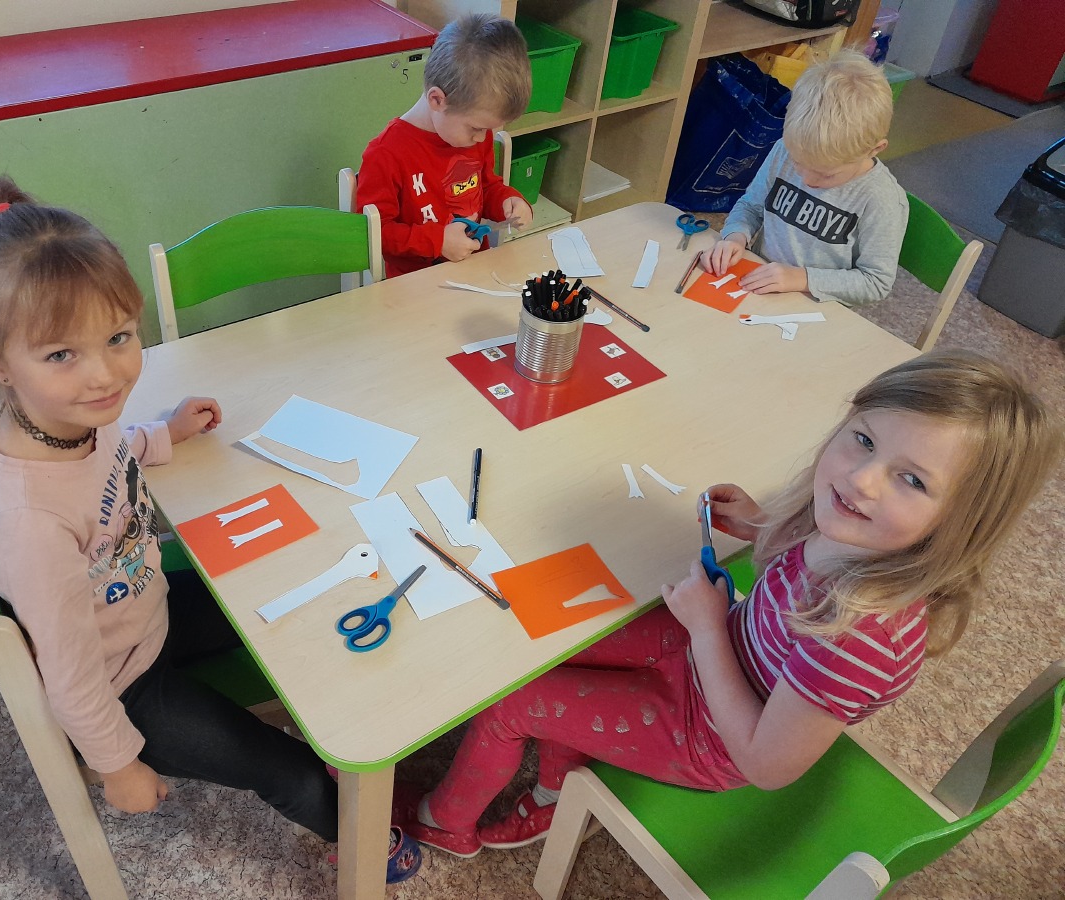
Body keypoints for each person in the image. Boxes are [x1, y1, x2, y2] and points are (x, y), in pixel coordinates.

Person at [0, 176, 420, 883]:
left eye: (118, 337)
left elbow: (108, 456)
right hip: (120, 686)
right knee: (285, 769)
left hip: (143, 608)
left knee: (295, 595)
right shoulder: (25, 524)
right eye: (62, 355)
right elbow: (70, 675)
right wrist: (118, 765)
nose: (105, 376)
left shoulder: (66, 419)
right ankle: (364, 841)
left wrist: (163, 433)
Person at [397, 349, 1063, 857]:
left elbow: (764, 764)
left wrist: (710, 630)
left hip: (711, 736)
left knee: (510, 704)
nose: (862, 481)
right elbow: (790, 568)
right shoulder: (850, 527)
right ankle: (556, 782)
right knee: (554, 638)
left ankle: (446, 823)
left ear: (964, 521)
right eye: (863, 439)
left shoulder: (861, 637)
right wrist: (760, 525)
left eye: (911, 480)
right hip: (714, 654)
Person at [701, 50, 908, 306]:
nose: (808, 180)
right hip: (760, 288)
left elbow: (875, 282)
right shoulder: (785, 150)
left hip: (817, 307)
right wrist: (735, 236)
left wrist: (803, 278)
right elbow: (751, 205)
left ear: (874, 150)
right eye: (798, 163)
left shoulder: (882, 199)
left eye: (826, 174)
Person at [355, 13, 534, 279]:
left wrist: (508, 201)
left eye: (488, 129)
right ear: (437, 100)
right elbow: (375, 233)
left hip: (474, 270)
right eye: (477, 128)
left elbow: (485, 188)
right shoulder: (386, 154)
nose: (482, 138)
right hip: (415, 284)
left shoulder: (473, 134)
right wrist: (437, 241)